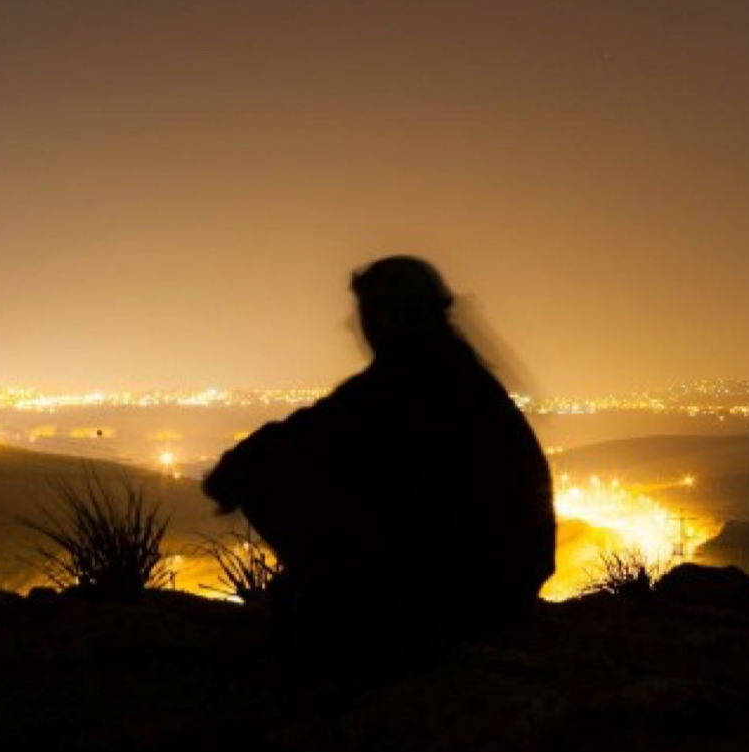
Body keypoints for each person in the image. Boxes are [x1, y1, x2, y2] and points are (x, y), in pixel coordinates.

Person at [203, 256, 555, 648]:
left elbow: (301, 437)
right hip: (506, 588)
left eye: (367, 313)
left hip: (467, 595)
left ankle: (349, 609)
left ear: (388, 316)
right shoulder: (453, 372)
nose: (359, 327)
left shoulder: (413, 378)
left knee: (270, 480)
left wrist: (234, 474)